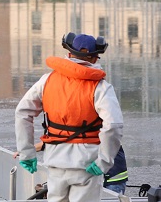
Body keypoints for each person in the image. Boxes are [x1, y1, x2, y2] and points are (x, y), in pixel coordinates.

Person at [15, 32, 124, 202]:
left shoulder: (46, 81)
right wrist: (104, 161)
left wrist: (26, 153)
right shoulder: (101, 88)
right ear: (95, 59)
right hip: (87, 165)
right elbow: (113, 125)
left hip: (55, 161)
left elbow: (23, 113)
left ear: (69, 54)